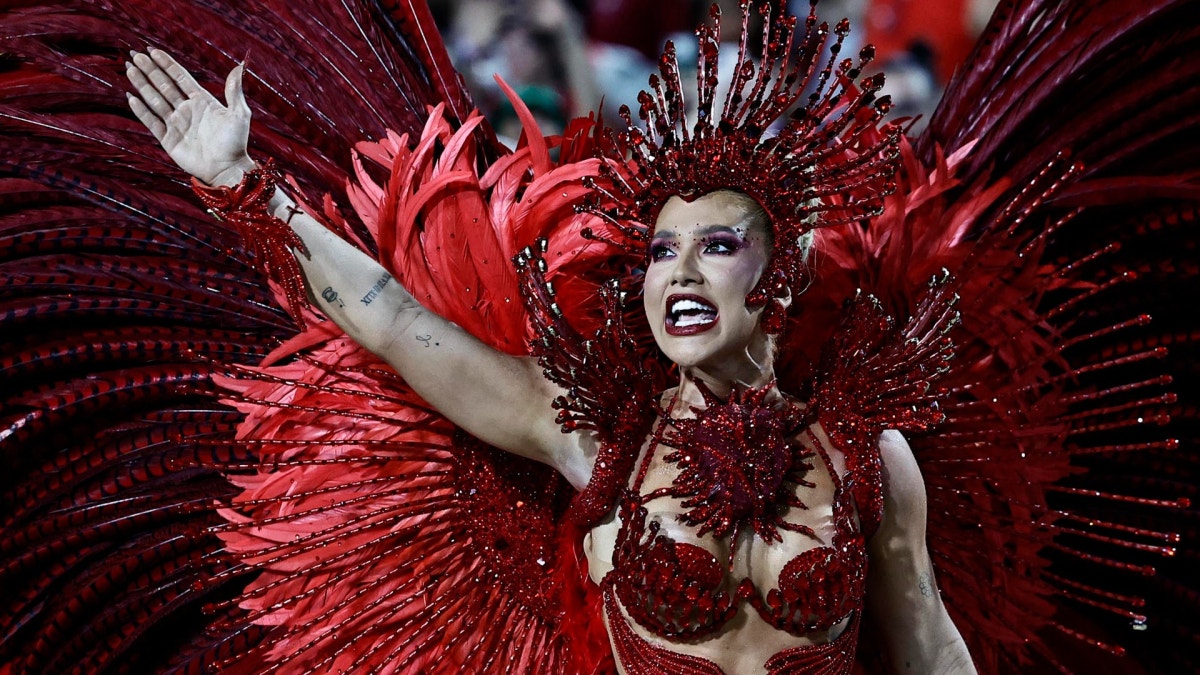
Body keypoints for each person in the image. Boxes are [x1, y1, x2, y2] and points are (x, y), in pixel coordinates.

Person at [122, 1, 977, 668]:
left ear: (778, 275)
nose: (677, 273)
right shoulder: (595, 435)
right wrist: (244, 185)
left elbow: (930, 649)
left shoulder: (867, 456)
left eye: (716, 247)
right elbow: (392, 318)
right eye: (659, 252)